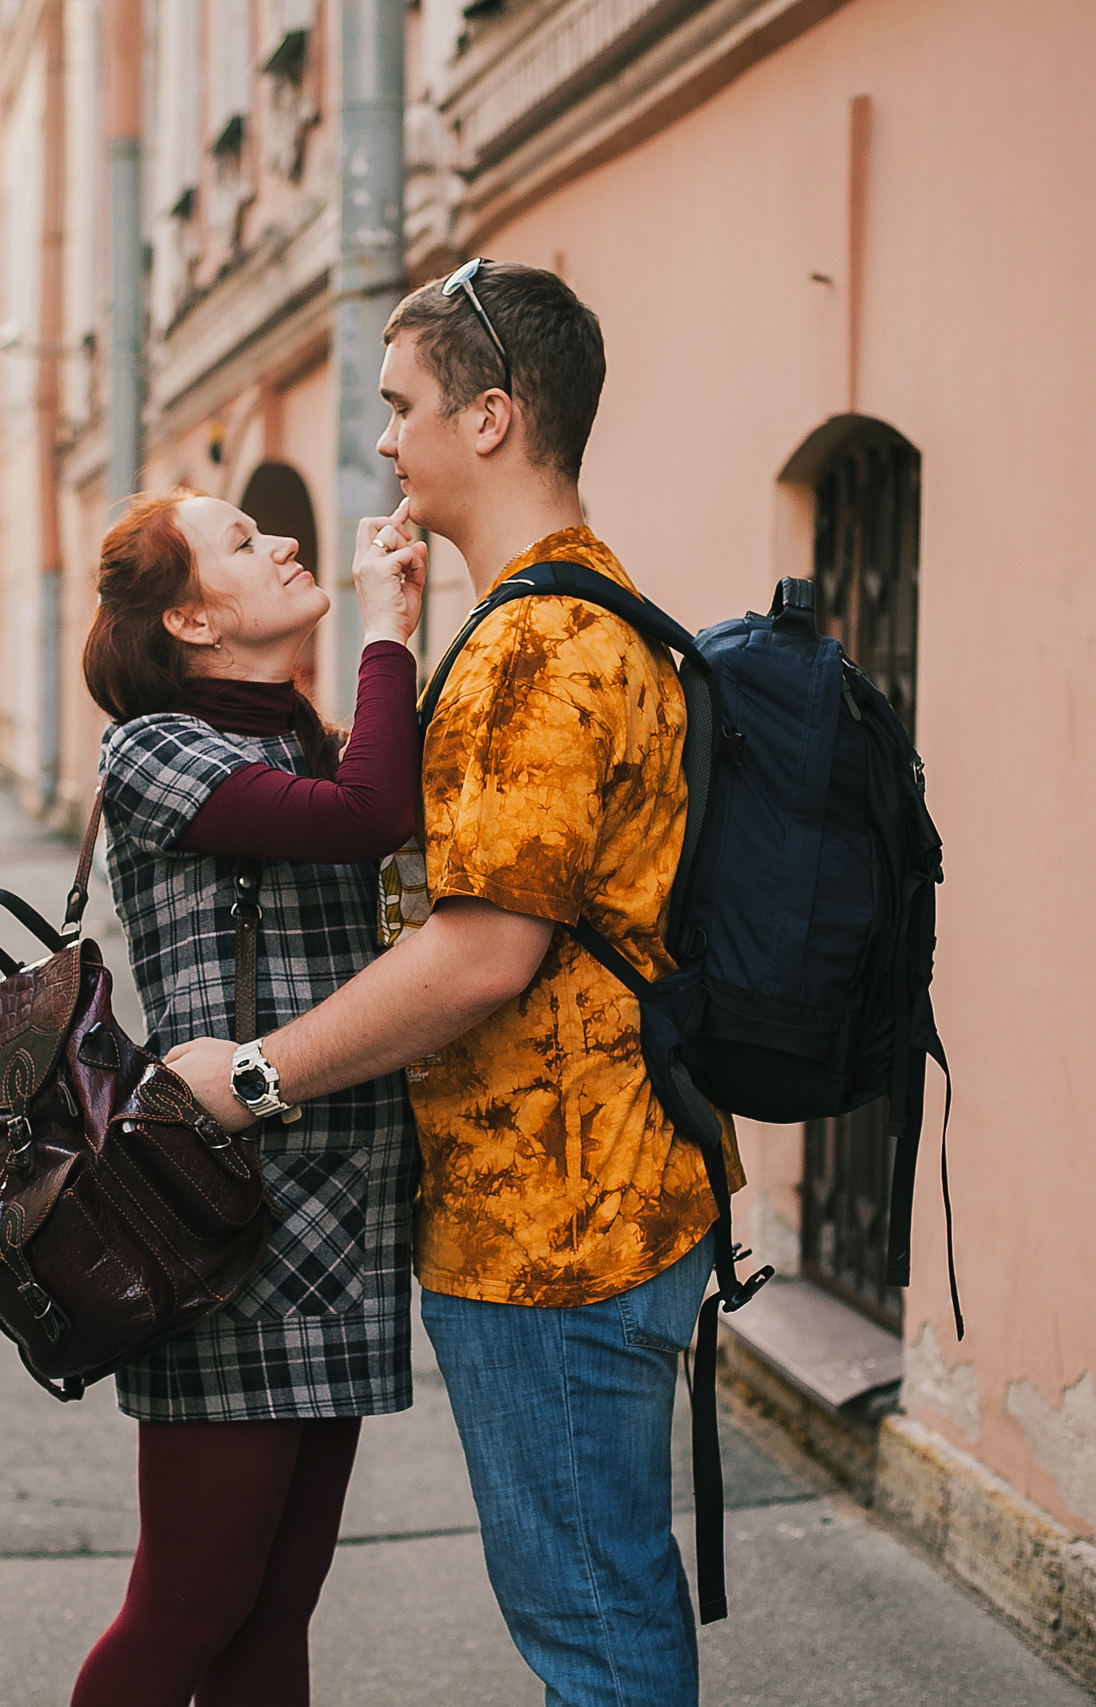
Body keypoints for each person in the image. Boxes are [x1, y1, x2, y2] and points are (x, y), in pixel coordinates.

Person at [164, 261, 739, 1707]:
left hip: (557, 1224)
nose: (381, 441)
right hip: (600, 1195)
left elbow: (483, 949)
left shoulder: (538, 651)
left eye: (400, 406)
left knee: (594, 1629)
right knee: (605, 1605)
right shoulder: (582, 610)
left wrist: (252, 1074)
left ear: (488, 420)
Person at [68, 486, 429, 1707]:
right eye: (241, 540)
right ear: (192, 622)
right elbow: (372, 814)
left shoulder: (299, 738)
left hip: (345, 1208)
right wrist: (389, 629)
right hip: (223, 1220)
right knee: (187, 1610)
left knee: (278, 1607)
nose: (283, 541)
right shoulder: (156, 751)